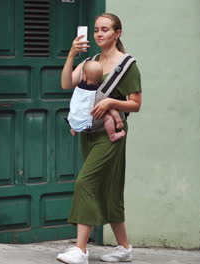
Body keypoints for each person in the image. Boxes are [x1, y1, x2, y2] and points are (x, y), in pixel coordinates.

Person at [57, 13, 142, 264]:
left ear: (118, 33)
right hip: (89, 132)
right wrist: (72, 54)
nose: (99, 34)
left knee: (85, 183)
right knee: (108, 190)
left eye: (105, 29)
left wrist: (110, 102)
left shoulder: (127, 65)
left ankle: (81, 250)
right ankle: (124, 247)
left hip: (111, 136)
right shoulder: (91, 61)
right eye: (96, 30)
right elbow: (65, 84)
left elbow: (135, 105)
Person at [67, 60, 126, 142]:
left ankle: (74, 130)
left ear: (84, 77)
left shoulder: (79, 88)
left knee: (79, 108)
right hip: (87, 123)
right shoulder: (98, 94)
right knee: (108, 117)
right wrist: (118, 121)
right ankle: (112, 135)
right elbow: (111, 108)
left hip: (73, 120)